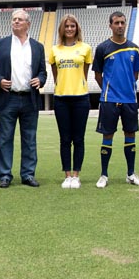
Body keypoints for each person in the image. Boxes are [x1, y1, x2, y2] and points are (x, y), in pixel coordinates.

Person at [0, 9, 47, 188]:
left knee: (29, 138)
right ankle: (5, 175)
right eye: (14, 19)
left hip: (30, 98)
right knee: (5, 138)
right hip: (9, 98)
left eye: (20, 20)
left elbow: (43, 71)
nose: (16, 22)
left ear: (27, 24)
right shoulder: (0, 45)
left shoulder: (38, 47)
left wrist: (41, 79)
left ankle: (28, 174)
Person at [92, 11, 139, 188]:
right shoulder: (102, 48)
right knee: (108, 135)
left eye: (122, 22)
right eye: (116, 23)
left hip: (130, 99)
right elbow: (98, 75)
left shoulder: (135, 49)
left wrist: (125, 87)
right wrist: (110, 89)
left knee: (130, 134)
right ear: (110, 25)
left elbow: (135, 74)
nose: (120, 26)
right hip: (109, 99)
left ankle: (130, 174)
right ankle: (104, 175)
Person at [48, 14, 92, 189]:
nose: (69, 29)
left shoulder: (86, 48)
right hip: (61, 98)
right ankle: (67, 175)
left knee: (78, 138)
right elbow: (55, 72)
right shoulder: (54, 50)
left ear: (77, 28)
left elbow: (85, 72)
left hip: (81, 98)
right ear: (62, 29)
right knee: (65, 139)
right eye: (66, 26)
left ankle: (76, 175)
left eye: (72, 26)